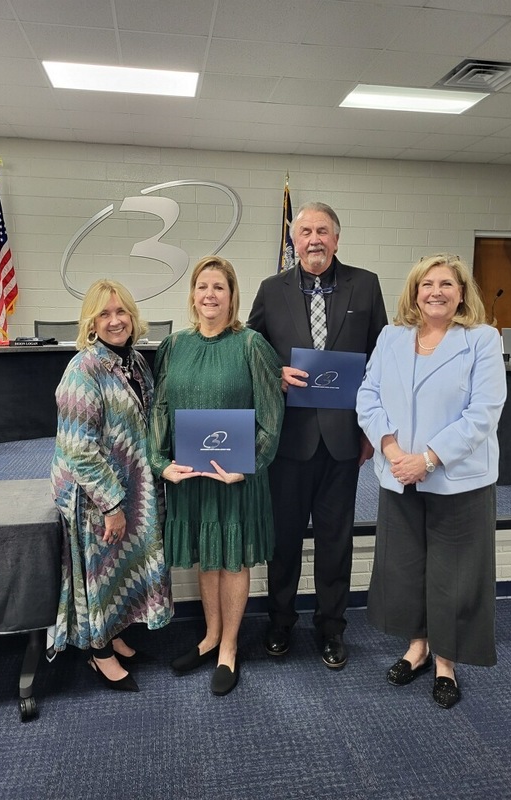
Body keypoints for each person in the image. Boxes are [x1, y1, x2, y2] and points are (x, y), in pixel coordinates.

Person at [356, 253, 507, 709]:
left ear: (462, 293)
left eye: (446, 283)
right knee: (407, 567)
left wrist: (429, 458)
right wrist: (391, 449)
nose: (435, 291)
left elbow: (483, 413)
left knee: (454, 574)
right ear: (414, 292)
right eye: (427, 284)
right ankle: (417, 647)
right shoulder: (392, 336)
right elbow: (368, 394)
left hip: (458, 478)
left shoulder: (481, 340)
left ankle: (446, 661)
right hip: (399, 473)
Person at [248, 202, 387, 669]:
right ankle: (280, 622)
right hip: (288, 440)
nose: (313, 239)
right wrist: (274, 374)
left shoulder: (365, 284)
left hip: (344, 442)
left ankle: (331, 628)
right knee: (283, 541)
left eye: (322, 231)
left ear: (336, 238)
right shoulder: (272, 289)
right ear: (293, 239)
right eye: (305, 231)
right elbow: (250, 351)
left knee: (335, 541)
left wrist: (373, 431)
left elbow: (380, 360)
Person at [150, 255, 284, 696]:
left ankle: (228, 647)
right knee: (207, 556)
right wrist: (159, 459)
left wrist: (248, 465)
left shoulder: (251, 345)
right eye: (202, 286)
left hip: (235, 476)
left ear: (232, 296)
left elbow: (271, 415)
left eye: (219, 288)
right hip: (191, 476)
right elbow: (162, 409)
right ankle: (208, 636)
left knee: (233, 558)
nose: (210, 295)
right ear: (192, 294)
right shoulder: (175, 346)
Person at [51, 279, 172, 692]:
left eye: (121, 312)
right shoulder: (83, 369)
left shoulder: (136, 362)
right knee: (101, 571)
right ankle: (98, 651)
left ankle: (114, 631)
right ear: (91, 321)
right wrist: (112, 505)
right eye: (105, 313)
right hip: (95, 497)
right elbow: (78, 449)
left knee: (121, 565)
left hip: (132, 485)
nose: (115, 320)